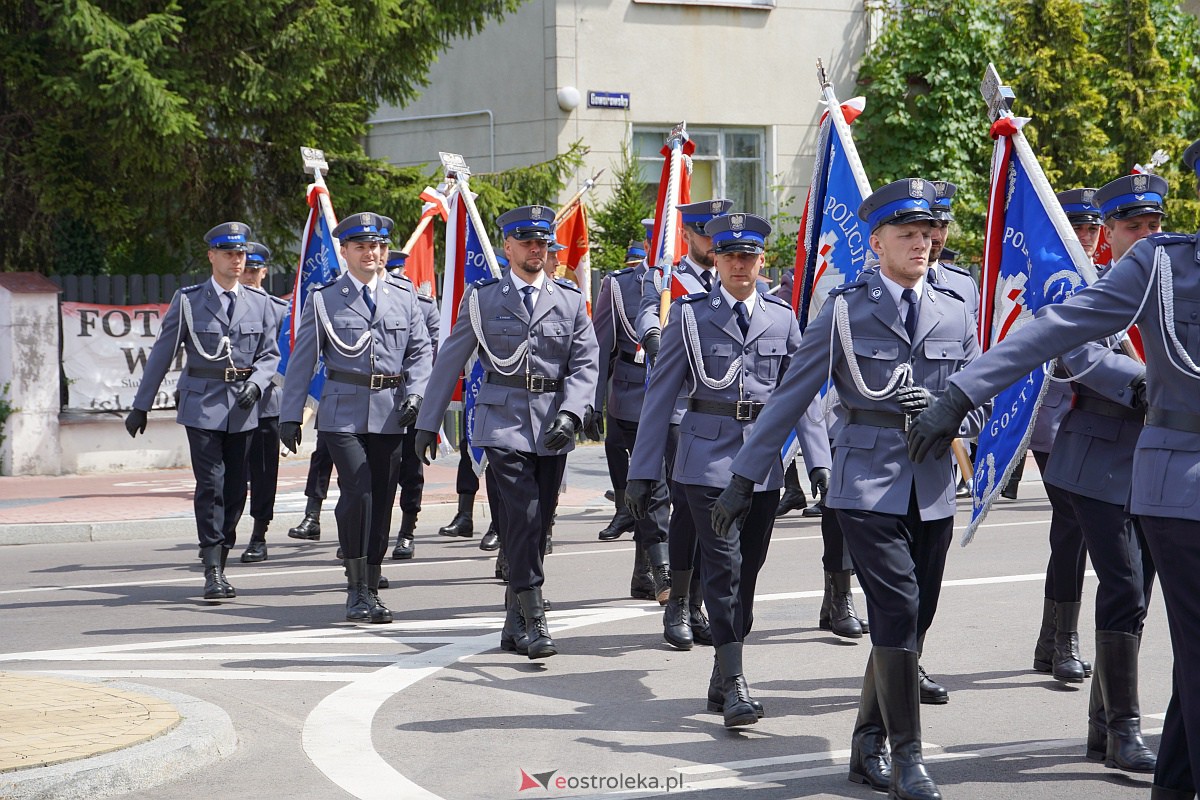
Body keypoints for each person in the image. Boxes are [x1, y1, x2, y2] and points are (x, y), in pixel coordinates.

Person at [908, 157, 1200, 796]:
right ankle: (1112, 712)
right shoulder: (1157, 271)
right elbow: (1062, 337)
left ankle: (1125, 735)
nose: (1139, 230)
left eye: (1153, 218)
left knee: (1163, 624)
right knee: (1119, 584)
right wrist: (960, 394)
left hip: (1151, 465)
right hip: (1134, 465)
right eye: (1131, 221)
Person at [714, 179, 986, 798]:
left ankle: (865, 744)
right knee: (897, 608)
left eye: (926, 234)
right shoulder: (843, 308)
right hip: (865, 482)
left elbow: (979, 399)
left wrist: (949, 411)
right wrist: (742, 478)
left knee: (918, 618)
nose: (921, 245)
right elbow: (790, 398)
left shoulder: (954, 307)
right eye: (906, 235)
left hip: (933, 483)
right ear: (877, 241)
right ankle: (907, 757)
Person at [627, 211, 830, 728]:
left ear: (763, 262)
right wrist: (643, 469)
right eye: (730, 256)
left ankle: (722, 669)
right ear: (715, 260)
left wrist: (819, 462)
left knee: (751, 568)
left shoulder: (783, 318)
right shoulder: (691, 317)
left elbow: (801, 397)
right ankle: (737, 680)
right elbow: (660, 397)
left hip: (762, 463)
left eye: (749, 256)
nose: (740, 265)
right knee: (725, 567)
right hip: (705, 461)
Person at [413, 205, 598, 660]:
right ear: (508, 248)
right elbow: (449, 361)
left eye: (543, 243)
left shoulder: (570, 300)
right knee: (523, 516)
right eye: (527, 243)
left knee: (541, 523)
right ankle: (534, 618)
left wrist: (573, 414)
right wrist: (426, 423)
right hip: (503, 423)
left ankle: (513, 620)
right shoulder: (483, 299)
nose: (537, 250)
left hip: (553, 423)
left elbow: (586, 362)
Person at [279, 212, 432, 624]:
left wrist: (417, 395)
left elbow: (420, 352)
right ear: (344, 251)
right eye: (362, 246)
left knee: (383, 499)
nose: (372, 253)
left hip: (391, 410)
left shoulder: (404, 295)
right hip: (342, 412)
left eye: (378, 246)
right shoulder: (324, 298)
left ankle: (372, 580)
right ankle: (355, 588)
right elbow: (303, 357)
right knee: (358, 492)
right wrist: (289, 413)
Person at [125, 222, 280, 599]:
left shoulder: (260, 303)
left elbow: (270, 354)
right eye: (228, 253)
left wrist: (256, 384)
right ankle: (212, 568)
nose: (236, 260)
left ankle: (222, 554)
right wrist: (140, 405)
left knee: (235, 489)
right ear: (212, 256)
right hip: (202, 403)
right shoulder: (189, 300)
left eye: (241, 253)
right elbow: (163, 353)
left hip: (244, 407)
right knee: (210, 485)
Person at [636, 199, 734, 648]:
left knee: (714, 515)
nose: (711, 243)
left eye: (716, 234)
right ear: (688, 236)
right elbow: (644, 311)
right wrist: (654, 333)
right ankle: (678, 601)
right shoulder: (666, 277)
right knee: (686, 511)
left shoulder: (735, 274)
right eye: (702, 233)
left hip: (724, 413)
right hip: (681, 409)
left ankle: (698, 601)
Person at [1027, 188, 1099, 681]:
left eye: (1094, 228)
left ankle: (1052, 639)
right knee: (1074, 524)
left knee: (1074, 532)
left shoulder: (1115, 277)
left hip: (1105, 423)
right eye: (1077, 227)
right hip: (1055, 421)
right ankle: (1063, 641)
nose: (1087, 237)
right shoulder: (1046, 281)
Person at [594, 242, 671, 602]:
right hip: (632, 395)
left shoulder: (683, 284)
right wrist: (594, 403)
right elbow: (601, 344)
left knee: (665, 488)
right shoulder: (619, 284)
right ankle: (655, 571)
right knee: (651, 486)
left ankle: (647, 570)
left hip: (679, 398)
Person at [384, 249, 441, 561]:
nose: (395, 277)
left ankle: (407, 531)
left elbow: (431, 349)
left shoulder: (422, 305)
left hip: (412, 396)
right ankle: (363, 532)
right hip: (378, 399)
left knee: (411, 469)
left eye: (398, 271)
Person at [236, 242, 288, 563]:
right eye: (247, 269)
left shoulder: (278, 310)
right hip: (230, 406)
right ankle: (224, 531)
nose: (250, 276)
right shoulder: (227, 306)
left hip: (268, 405)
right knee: (231, 474)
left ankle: (259, 534)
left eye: (256, 270)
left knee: (264, 473)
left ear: (264, 272)